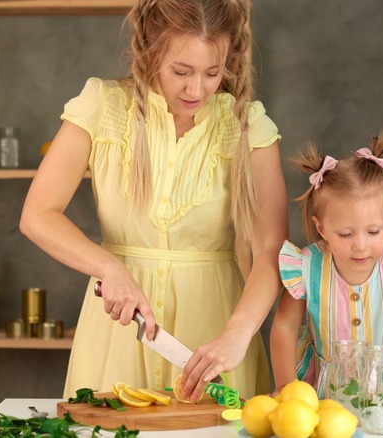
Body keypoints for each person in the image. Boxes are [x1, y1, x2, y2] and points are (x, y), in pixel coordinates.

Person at [20, 0, 287, 402]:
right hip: (117, 331)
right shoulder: (102, 105)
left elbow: (272, 249)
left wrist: (238, 334)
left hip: (215, 334)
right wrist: (108, 267)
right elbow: (37, 215)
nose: (196, 89)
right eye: (181, 71)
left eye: (212, 73)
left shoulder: (249, 125)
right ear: (149, 52)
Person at [269, 130, 383, 409]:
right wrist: (285, 386)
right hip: (323, 393)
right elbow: (284, 325)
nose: (361, 246)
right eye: (345, 234)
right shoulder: (307, 268)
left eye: (373, 231)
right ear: (322, 228)